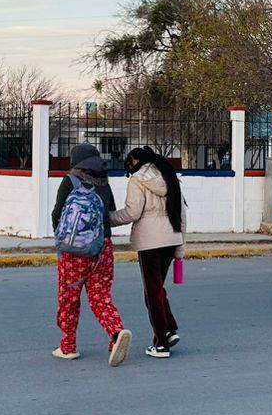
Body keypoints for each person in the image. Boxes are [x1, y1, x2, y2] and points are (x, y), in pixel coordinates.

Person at [50, 143, 133, 366]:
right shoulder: (104, 182)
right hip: (103, 248)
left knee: (69, 299)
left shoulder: (70, 180)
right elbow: (110, 215)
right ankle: (116, 333)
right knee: (100, 296)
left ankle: (68, 347)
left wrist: (65, 240)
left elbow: (57, 214)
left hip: (73, 253)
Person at [111, 146, 185, 358]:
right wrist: (180, 247)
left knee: (151, 293)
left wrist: (108, 219)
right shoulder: (171, 177)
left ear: (135, 160)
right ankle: (169, 329)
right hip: (171, 239)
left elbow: (132, 212)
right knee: (158, 288)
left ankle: (160, 343)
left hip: (150, 242)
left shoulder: (137, 179)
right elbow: (182, 216)